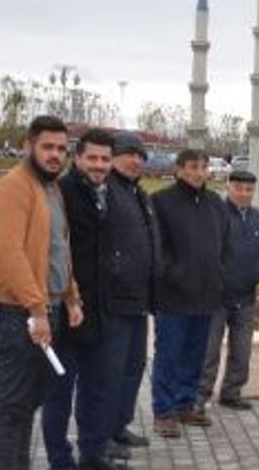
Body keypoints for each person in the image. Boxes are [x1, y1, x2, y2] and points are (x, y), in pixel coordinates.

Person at [0, 115, 83, 469]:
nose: (55, 155)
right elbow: (10, 255)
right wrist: (37, 311)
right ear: (28, 146)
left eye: (61, 148)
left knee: (26, 405)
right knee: (12, 408)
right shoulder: (13, 188)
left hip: (44, 310)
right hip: (17, 315)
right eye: (47, 147)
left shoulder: (50, 189)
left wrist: (70, 296)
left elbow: (58, 248)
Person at [46, 129, 117, 470]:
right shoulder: (61, 193)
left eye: (105, 159)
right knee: (59, 395)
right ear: (77, 158)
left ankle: (92, 455)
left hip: (100, 312)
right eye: (92, 158)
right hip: (66, 312)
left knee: (95, 391)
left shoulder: (109, 193)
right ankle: (60, 461)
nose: (99, 165)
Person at [149, 149, 226, 438]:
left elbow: (224, 243)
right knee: (169, 356)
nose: (199, 172)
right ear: (179, 170)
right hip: (174, 295)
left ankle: (185, 404)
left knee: (195, 355)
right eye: (193, 167)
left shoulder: (215, 202)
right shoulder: (161, 201)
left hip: (206, 294)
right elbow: (157, 247)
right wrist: (173, 274)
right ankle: (164, 412)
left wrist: (220, 274)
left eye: (204, 167)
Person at [101, 131, 160, 453]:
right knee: (110, 371)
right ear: (114, 156)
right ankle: (102, 436)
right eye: (129, 154)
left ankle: (119, 425)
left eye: (141, 156)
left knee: (133, 368)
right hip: (115, 301)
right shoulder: (106, 190)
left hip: (139, 299)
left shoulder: (139, 194)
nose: (136, 160)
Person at [197, 170, 259, 412]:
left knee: (241, 351)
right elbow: (207, 253)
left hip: (246, 298)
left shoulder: (258, 218)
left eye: (249, 189)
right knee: (209, 352)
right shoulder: (216, 215)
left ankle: (232, 393)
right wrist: (222, 280)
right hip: (217, 298)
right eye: (238, 188)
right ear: (228, 188)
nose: (243, 193)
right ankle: (200, 397)